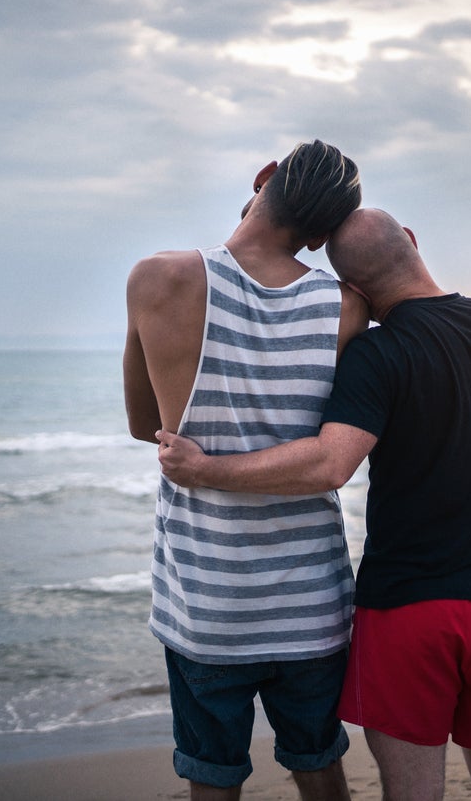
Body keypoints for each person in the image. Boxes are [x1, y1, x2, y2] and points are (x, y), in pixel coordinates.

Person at [156, 207, 471, 801]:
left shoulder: (378, 353)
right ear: (414, 242)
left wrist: (206, 469)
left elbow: (329, 463)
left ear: (356, 293)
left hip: (409, 610)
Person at [123, 140, 368, 801]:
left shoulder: (159, 276)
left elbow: (142, 421)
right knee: (318, 762)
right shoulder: (345, 304)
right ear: (320, 235)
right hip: (309, 601)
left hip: (207, 600)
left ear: (263, 180)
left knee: (213, 773)